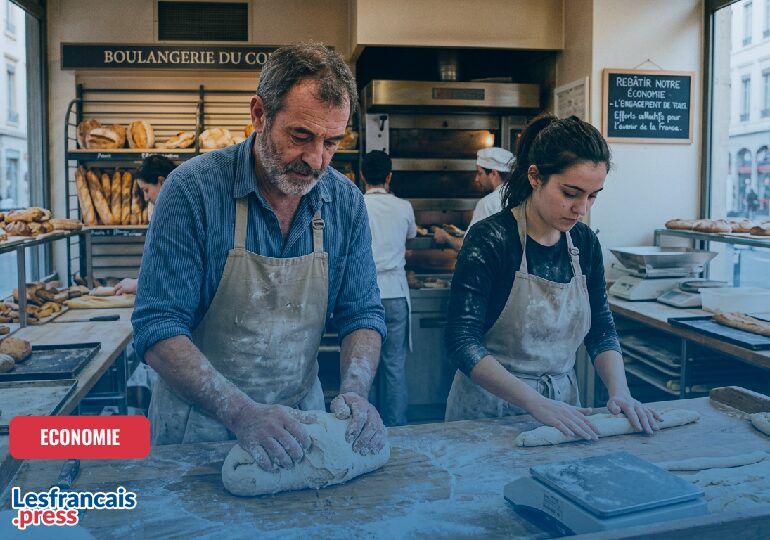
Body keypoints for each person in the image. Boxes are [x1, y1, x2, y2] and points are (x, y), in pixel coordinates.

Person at [132, 42, 388, 470]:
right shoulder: (192, 191)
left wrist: (355, 392)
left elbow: (361, 312)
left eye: (331, 142)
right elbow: (156, 328)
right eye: (301, 136)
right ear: (258, 114)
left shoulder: (344, 203)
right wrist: (241, 412)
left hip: (301, 424)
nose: (316, 159)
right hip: (198, 431)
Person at [443, 114, 660, 441]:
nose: (581, 208)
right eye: (571, 193)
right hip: (489, 412)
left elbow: (601, 327)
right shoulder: (492, 239)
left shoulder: (585, 244)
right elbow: (460, 341)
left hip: (564, 410)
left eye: (592, 195)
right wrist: (535, 403)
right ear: (535, 177)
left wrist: (620, 392)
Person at [362, 150, 416, 426]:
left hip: (366, 295)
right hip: (395, 293)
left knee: (362, 368)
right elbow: (411, 237)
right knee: (394, 366)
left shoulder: (358, 204)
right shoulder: (404, 207)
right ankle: (397, 427)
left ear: (362, 176)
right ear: (389, 176)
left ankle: (360, 427)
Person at [114, 155, 176, 295]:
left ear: (161, 181)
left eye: (146, 190)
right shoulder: (173, 209)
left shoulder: (177, 214)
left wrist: (139, 284)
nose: (146, 198)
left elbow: (174, 269)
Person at [433, 146, 514, 251]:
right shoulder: (521, 196)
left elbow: (468, 246)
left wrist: (446, 238)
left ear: (494, 173)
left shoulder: (488, 203)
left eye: (480, 173)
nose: (476, 179)